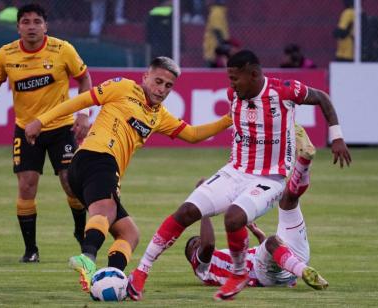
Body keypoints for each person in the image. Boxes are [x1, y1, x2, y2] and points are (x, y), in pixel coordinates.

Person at [128, 49, 351, 301]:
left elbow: (322, 97)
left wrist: (337, 137)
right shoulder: (234, 94)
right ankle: (140, 272)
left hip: (269, 178)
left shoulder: (285, 91)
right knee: (186, 211)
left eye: (235, 78)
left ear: (254, 74)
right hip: (234, 171)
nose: (231, 84)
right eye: (229, 78)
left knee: (233, 218)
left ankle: (238, 273)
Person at [24, 56, 233, 292]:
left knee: (129, 234)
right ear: (145, 76)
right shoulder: (122, 87)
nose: (161, 89)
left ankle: (109, 279)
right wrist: (41, 121)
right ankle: (88, 257)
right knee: (107, 210)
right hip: (97, 158)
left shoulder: (159, 115)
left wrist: (229, 119)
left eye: (168, 86)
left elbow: (193, 134)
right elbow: (81, 101)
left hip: (92, 169)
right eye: (158, 81)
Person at [0, 3, 93, 263]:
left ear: (46, 26)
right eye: (26, 22)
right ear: (18, 27)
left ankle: (81, 233)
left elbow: (84, 79)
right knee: (26, 186)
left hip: (61, 128)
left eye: (37, 21)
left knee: (70, 183)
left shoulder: (63, 50)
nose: (32, 26)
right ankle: (31, 250)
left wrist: (83, 114)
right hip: (26, 130)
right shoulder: (6, 55)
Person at [185, 128, 327, 290]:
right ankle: (305, 272)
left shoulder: (226, 256)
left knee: (288, 199)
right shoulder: (201, 268)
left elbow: (265, 254)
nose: (198, 243)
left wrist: (257, 234)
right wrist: (203, 211)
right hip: (265, 275)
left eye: (196, 241)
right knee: (272, 242)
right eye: (194, 245)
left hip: (290, 260)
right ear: (191, 258)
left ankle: (304, 160)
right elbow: (208, 244)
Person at [203, 0, 229, 67]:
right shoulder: (217, 12)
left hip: (214, 49)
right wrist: (223, 46)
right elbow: (217, 30)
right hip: (214, 49)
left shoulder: (218, 11)